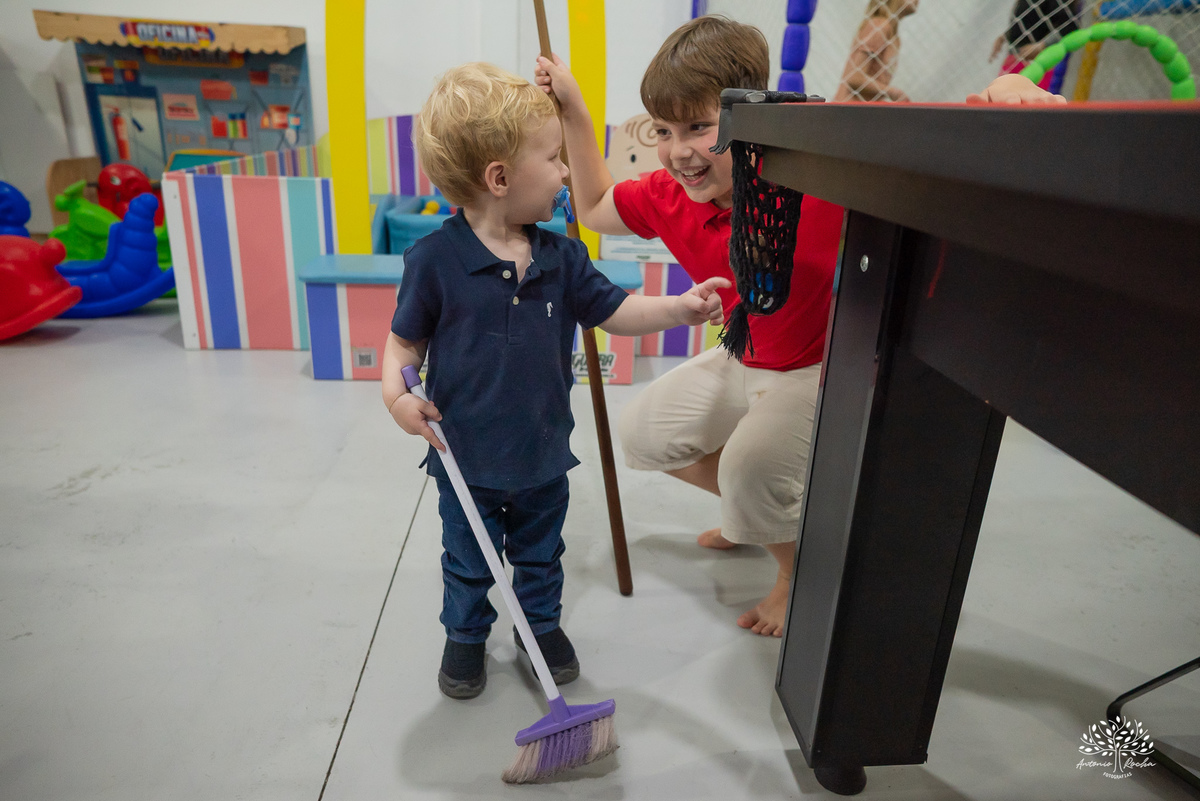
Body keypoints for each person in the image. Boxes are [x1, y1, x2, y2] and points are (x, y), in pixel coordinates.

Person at [535, 16, 1065, 637]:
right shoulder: (670, 194)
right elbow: (595, 208)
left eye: (701, 128)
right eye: (665, 131)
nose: (678, 151)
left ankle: (792, 565)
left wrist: (998, 96)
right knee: (643, 435)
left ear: (751, 116)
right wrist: (573, 106)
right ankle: (767, 517)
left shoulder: (812, 174)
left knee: (748, 473)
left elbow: (918, 141)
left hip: (816, 366)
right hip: (743, 354)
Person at [381, 62, 730, 699]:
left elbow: (617, 311)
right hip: (466, 460)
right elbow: (403, 345)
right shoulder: (433, 261)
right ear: (499, 178)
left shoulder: (563, 257)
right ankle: (465, 635)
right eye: (554, 157)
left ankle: (539, 627)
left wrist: (679, 308)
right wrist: (398, 398)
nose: (568, 171)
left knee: (541, 554)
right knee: (468, 561)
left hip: (543, 455)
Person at [835, 0, 920, 103]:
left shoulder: (895, 38)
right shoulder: (880, 26)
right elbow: (854, 78)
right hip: (849, 109)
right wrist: (892, 92)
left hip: (865, 110)